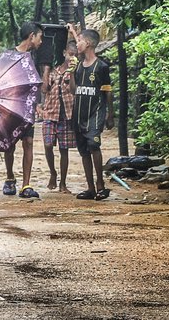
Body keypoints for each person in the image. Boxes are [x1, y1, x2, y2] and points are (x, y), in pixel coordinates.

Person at [69, 25, 114, 200]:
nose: (76, 44)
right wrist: (71, 74)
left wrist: (111, 115)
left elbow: (108, 91)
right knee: (83, 151)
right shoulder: (79, 67)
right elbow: (74, 91)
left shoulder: (101, 67)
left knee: (94, 146)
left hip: (95, 113)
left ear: (88, 43)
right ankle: (90, 188)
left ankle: (100, 185)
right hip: (78, 114)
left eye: (79, 40)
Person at [2, 22, 43, 199]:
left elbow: (37, 83)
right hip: (10, 106)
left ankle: (26, 184)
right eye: (39, 37)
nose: (40, 41)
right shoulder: (8, 56)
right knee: (10, 145)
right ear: (31, 36)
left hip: (28, 107)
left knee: (28, 142)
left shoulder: (36, 58)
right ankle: (10, 177)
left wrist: (38, 104)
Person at [39, 40, 78, 193]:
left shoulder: (75, 72)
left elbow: (74, 91)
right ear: (64, 54)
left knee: (64, 149)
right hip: (50, 113)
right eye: (70, 54)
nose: (71, 58)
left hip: (67, 115)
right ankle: (53, 173)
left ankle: (63, 182)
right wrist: (46, 70)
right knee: (48, 145)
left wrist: (73, 74)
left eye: (74, 55)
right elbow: (44, 89)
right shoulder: (54, 71)